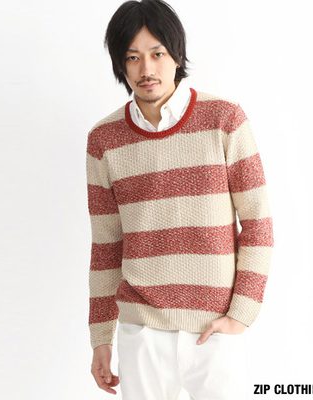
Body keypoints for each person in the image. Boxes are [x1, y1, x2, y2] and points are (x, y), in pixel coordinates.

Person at [85, 0, 274, 398]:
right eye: (132, 57)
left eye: (157, 54)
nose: (146, 69)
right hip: (141, 333)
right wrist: (101, 337)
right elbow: (106, 246)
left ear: (176, 55)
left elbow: (258, 223)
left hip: (214, 331)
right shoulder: (104, 141)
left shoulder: (224, 120)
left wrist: (241, 314)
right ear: (120, 64)